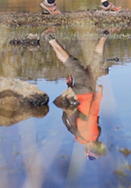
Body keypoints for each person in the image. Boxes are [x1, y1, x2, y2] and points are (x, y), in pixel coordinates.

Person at [46, 28, 109, 160]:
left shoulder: (91, 136)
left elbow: (92, 115)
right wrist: (70, 87)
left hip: (87, 91)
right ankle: (103, 36)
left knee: (72, 63)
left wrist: (99, 95)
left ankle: (50, 39)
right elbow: (75, 114)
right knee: (94, 63)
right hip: (80, 94)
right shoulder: (79, 137)